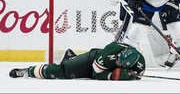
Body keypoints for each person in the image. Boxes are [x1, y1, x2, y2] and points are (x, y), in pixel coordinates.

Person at [9, 41, 145, 81]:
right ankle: (28, 71)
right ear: (121, 53)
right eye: (120, 60)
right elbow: (96, 73)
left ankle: (71, 57)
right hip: (93, 61)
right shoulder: (110, 52)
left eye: (123, 65)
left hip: (100, 67)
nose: (119, 63)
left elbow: (136, 77)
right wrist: (111, 76)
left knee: (69, 65)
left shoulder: (140, 65)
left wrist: (130, 77)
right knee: (62, 72)